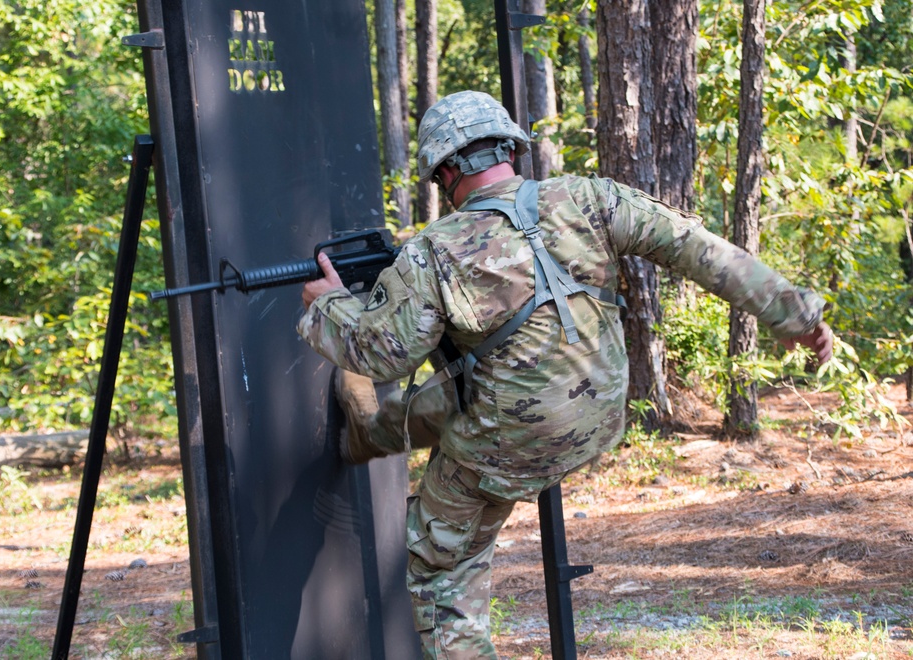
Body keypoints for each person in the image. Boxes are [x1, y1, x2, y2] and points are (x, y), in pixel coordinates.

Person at [297, 90, 833, 658]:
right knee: (450, 400)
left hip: (509, 445)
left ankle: (371, 436)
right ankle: (371, 431)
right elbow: (700, 250)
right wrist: (793, 314)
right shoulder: (591, 197)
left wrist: (329, 304)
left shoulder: (434, 252)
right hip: (599, 412)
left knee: (441, 574)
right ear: (507, 148)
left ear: (447, 170)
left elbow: (382, 355)